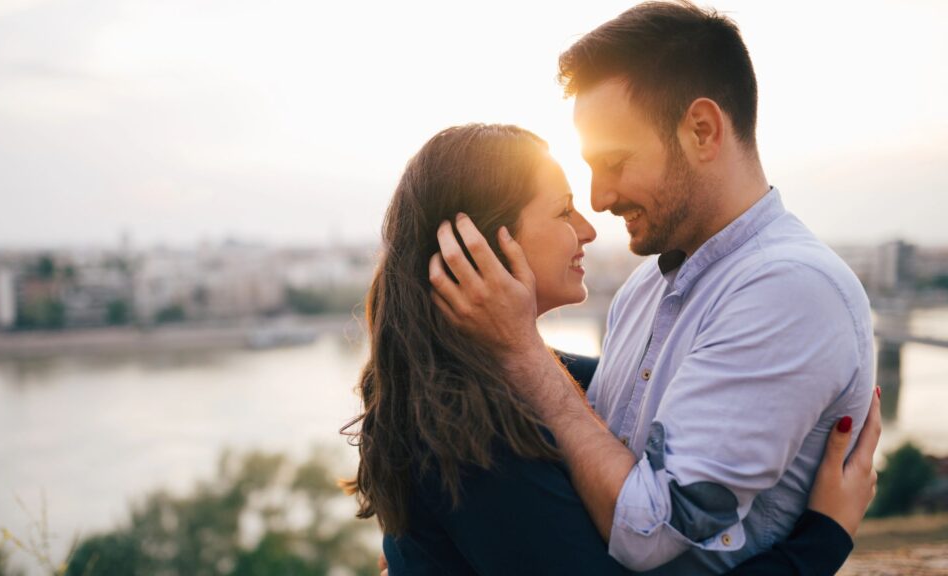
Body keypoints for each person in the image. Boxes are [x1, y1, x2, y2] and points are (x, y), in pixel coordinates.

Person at [428, 2, 875, 574]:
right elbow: (607, 432)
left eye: (614, 162)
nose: (599, 197)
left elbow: (648, 532)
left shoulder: (791, 290)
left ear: (702, 131)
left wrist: (520, 351)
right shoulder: (647, 286)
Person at [343, 123, 879, 575]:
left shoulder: (462, 384)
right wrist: (824, 537)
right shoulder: (470, 433)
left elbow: (623, 388)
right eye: (563, 211)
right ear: (482, 244)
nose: (588, 228)